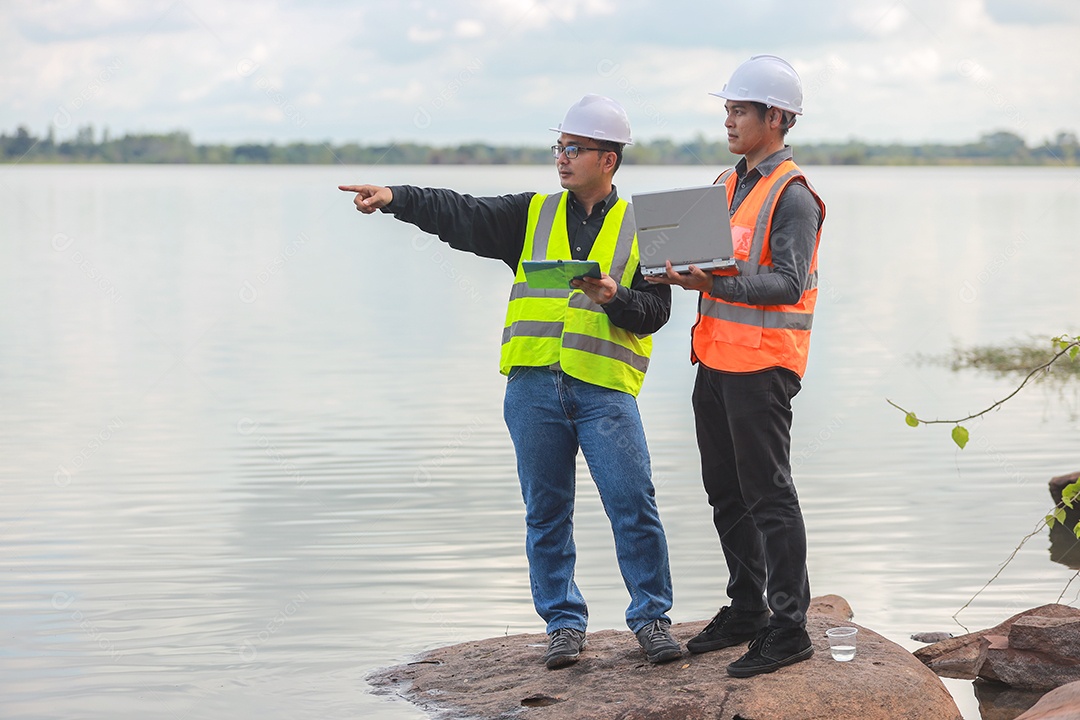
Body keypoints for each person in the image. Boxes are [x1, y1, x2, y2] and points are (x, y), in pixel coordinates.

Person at [339, 94, 681, 669]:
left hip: (605, 391)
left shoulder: (646, 226)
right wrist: (397, 198)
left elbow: (657, 312)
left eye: (574, 149)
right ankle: (564, 625)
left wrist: (616, 297)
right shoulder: (531, 214)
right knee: (546, 511)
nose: (562, 159)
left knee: (632, 503)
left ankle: (651, 620)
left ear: (609, 160)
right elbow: (460, 211)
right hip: (532, 389)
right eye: (560, 148)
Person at [646, 55, 826, 678]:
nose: (727, 119)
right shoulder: (727, 183)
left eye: (738, 110)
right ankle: (747, 607)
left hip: (763, 366)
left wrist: (715, 282)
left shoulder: (794, 196)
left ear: (775, 118)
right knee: (726, 492)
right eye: (726, 108)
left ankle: (790, 627)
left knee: (769, 495)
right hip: (714, 361)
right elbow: (703, 257)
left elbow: (786, 281)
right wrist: (666, 267)